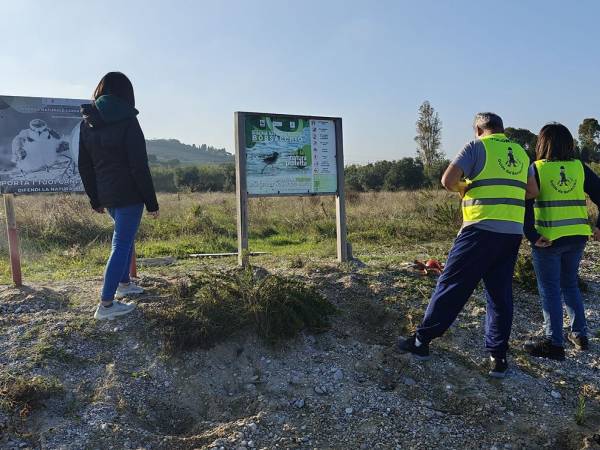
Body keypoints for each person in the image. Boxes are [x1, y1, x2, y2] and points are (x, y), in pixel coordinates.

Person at [397, 112, 538, 378]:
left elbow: (447, 181)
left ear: (478, 129)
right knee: (499, 294)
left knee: (452, 286)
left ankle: (421, 342)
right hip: (511, 234)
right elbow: (532, 191)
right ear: (501, 129)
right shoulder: (520, 152)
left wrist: (466, 186)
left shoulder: (476, 146)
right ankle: (498, 358)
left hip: (478, 231)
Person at [79, 72, 159, 320]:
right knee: (121, 243)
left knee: (126, 237)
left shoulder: (87, 121)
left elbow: (85, 165)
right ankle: (106, 304)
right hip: (129, 194)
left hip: (107, 194)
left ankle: (124, 284)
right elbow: (139, 166)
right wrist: (152, 202)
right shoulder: (128, 120)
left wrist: (95, 198)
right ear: (126, 94)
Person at [522, 123, 600, 360]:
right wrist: (598, 226)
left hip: (548, 239)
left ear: (542, 143)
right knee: (570, 285)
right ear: (569, 144)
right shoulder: (579, 168)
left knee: (550, 290)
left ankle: (554, 344)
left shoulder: (536, 169)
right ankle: (579, 335)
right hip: (577, 237)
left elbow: (525, 203)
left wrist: (532, 235)